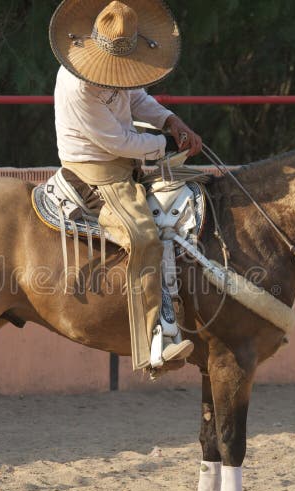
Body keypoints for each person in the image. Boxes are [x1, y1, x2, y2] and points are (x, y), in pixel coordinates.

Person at [49, 0, 202, 371]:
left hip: (124, 157)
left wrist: (169, 121)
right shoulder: (77, 86)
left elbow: (135, 97)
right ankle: (155, 340)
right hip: (97, 171)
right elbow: (114, 142)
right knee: (144, 237)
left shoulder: (108, 70)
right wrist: (163, 145)